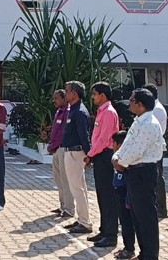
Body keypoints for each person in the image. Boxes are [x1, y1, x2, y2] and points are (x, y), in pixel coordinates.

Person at [112, 88, 164, 260]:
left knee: (146, 215)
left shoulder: (149, 123)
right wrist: (117, 157)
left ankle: (150, 254)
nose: (129, 103)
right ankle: (143, 252)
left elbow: (137, 149)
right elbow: (127, 144)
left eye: (132, 100)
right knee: (136, 214)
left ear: (140, 105)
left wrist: (122, 163)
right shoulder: (138, 121)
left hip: (144, 171)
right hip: (133, 171)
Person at [86, 82, 120, 248]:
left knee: (108, 196)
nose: (92, 97)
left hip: (105, 155)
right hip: (99, 156)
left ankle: (111, 235)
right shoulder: (101, 112)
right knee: (101, 195)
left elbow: (104, 138)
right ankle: (104, 230)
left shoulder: (108, 113)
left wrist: (90, 154)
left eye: (94, 94)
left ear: (103, 95)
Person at [61, 80, 93, 234]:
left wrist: (89, 154)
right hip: (72, 152)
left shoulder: (79, 111)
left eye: (67, 91)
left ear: (74, 93)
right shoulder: (73, 109)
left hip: (75, 153)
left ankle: (85, 223)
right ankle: (82, 219)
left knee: (77, 189)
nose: (65, 94)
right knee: (79, 188)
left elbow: (84, 135)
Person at [142, 83, 168, 219]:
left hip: (155, 149)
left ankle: (161, 208)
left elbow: (153, 132)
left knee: (158, 178)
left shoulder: (156, 110)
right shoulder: (151, 108)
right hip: (151, 149)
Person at [48, 89, 74, 218]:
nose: (54, 101)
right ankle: (62, 205)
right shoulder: (59, 112)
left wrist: (53, 145)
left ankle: (69, 209)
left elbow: (63, 133)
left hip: (62, 148)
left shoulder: (67, 112)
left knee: (66, 180)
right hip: (56, 150)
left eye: (57, 98)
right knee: (59, 180)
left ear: (65, 99)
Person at [110, 131, 136, 260]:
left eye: (113, 143)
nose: (112, 146)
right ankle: (127, 246)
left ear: (120, 144)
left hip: (125, 193)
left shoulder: (126, 158)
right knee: (123, 221)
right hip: (118, 191)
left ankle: (129, 248)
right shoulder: (118, 156)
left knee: (127, 222)